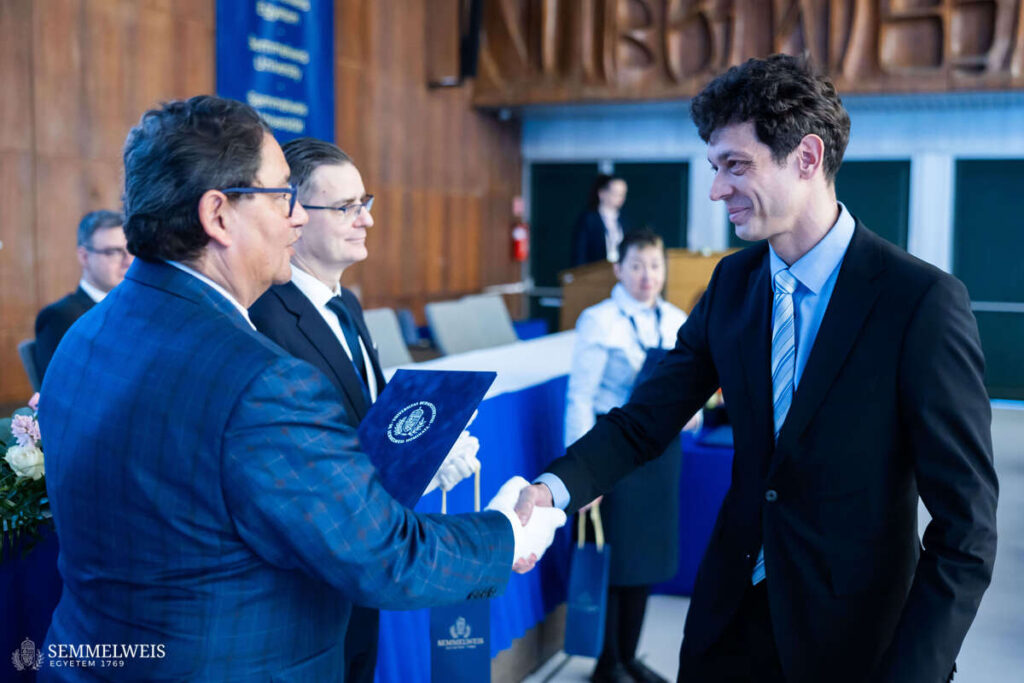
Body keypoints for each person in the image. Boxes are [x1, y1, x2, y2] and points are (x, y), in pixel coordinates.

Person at [37, 95, 566, 681]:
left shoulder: (84, 336)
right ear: (218, 216)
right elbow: (383, 556)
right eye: (281, 196)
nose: (296, 218)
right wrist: (508, 533)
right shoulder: (261, 380)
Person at [517, 54, 998, 683]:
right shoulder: (732, 285)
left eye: (735, 165)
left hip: (857, 643)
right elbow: (644, 420)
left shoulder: (920, 303)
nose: (717, 190)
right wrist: (551, 490)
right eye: (715, 167)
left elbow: (967, 530)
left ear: (807, 157)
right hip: (728, 626)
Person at [249, 137, 480, 683]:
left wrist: (426, 451)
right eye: (346, 208)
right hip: (309, 584)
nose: (366, 220)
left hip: (360, 565)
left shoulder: (346, 302)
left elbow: (367, 426)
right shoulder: (264, 316)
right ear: (294, 215)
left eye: (365, 203)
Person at [565, 229, 697, 683]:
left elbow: (691, 391)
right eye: (637, 266)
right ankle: (608, 663)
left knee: (647, 559)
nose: (647, 276)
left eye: (655, 266)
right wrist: (582, 473)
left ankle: (630, 655)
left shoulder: (677, 320)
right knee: (616, 559)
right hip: (614, 447)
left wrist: (694, 415)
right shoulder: (599, 320)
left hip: (661, 454)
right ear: (619, 269)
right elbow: (580, 398)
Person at [34, 210, 132, 379]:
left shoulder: (136, 309)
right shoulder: (58, 317)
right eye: (114, 252)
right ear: (85, 257)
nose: (128, 261)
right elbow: (61, 385)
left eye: (131, 250)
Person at [571, 174, 628, 266]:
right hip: (596, 271)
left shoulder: (623, 220)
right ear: (602, 193)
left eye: (623, 194)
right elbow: (580, 253)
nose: (620, 197)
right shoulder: (588, 220)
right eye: (615, 193)